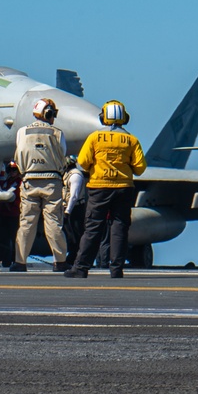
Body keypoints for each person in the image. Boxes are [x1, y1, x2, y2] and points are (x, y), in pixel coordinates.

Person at [65, 100, 147, 279]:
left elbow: (83, 163)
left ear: (103, 118)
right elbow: (140, 168)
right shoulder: (131, 140)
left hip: (98, 188)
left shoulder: (94, 138)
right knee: (119, 228)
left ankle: (81, 268)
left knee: (93, 228)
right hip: (124, 188)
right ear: (124, 118)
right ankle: (117, 269)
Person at [11, 98, 69, 272]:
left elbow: (18, 155)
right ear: (48, 113)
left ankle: (20, 262)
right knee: (53, 222)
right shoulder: (57, 133)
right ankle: (60, 262)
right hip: (52, 182)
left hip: (29, 181)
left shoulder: (22, 132)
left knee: (27, 222)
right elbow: (63, 154)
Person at [62, 156, 87, 267]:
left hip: (75, 209)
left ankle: (75, 260)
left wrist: (67, 212)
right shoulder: (68, 175)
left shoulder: (75, 175)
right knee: (70, 236)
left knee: (76, 236)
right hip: (70, 208)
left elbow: (74, 196)